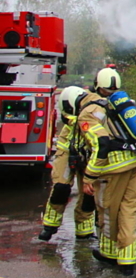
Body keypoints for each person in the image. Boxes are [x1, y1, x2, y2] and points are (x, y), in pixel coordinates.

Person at [80, 67, 136, 276]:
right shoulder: (125, 105)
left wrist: (89, 176)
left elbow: (100, 143)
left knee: (109, 211)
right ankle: (127, 260)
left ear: (96, 86)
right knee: (129, 210)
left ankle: (109, 254)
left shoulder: (90, 112)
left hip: (112, 169)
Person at [38, 86, 96, 241]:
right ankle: (50, 226)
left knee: (89, 193)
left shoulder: (92, 109)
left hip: (87, 152)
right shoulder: (72, 118)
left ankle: (84, 230)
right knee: (61, 188)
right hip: (67, 151)